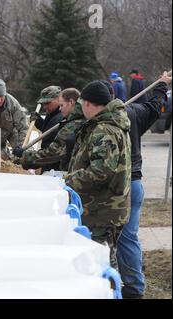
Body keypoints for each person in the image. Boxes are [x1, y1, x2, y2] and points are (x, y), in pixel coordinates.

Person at [105, 72, 171, 299]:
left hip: (119, 186)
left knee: (116, 238)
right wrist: (162, 84)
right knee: (128, 237)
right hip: (135, 183)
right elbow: (155, 105)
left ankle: (128, 286)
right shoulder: (135, 114)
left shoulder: (102, 122)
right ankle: (134, 286)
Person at [64, 81, 132, 270]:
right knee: (104, 257)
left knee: (101, 263)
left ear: (87, 103)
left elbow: (101, 171)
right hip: (105, 208)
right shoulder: (109, 124)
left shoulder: (104, 129)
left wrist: (67, 182)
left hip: (102, 211)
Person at [13, 88, 85, 172]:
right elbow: (51, 134)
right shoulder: (64, 118)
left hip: (57, 169)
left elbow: (53, 152)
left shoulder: (65, 120)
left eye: (48, 103)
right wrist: (40, 123)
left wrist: (25, 157)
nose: (60, 109)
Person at [28, 86, 64, 171]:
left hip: (55, 169)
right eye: (44, 103)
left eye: (48, 103)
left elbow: (50, 148)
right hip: (48, 165)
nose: (45, 106)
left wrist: (27, 159)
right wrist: (40, 122)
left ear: (59, 99)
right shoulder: (53, 114)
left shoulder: (60, 117)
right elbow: (49, 132)